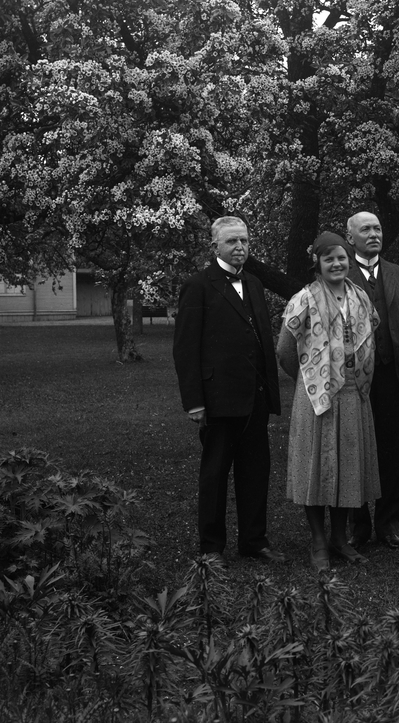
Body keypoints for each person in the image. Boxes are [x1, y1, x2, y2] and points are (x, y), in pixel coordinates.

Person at [173, 216, 285, 563]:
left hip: (255, 397)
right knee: (215, 474)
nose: (240, 247)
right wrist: (194, 402)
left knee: (256, 472)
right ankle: (211, 547)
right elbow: (185, 348)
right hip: (218, 398)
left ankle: (254, 540)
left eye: (245, 241)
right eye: (232, 241)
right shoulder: (198, 285)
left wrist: (270, 392)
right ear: (215, 247)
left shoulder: (254, 283)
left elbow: (261, 338)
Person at [277, 231, 381, 571]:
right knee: (316, 467)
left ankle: (339, 538)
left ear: (348, 260)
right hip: (316, 396)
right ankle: (319, 540)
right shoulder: (304, 298)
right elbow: (285, 350)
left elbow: (371, 336)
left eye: (341, 258)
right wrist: (309, 378)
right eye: (328, 259)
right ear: (318, 264)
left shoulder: (360, 297)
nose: (336, 264)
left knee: (347, 466)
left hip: (353, 393)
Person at [344, 211, 399, 550]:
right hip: (355, 380)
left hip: (393, 377)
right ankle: (358, 526)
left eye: (377, 228)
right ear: (351, 238)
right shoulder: (340, 273)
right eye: (365, 229)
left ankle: (388, 524)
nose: (374, 234)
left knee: (392, 452)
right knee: (355, 450)